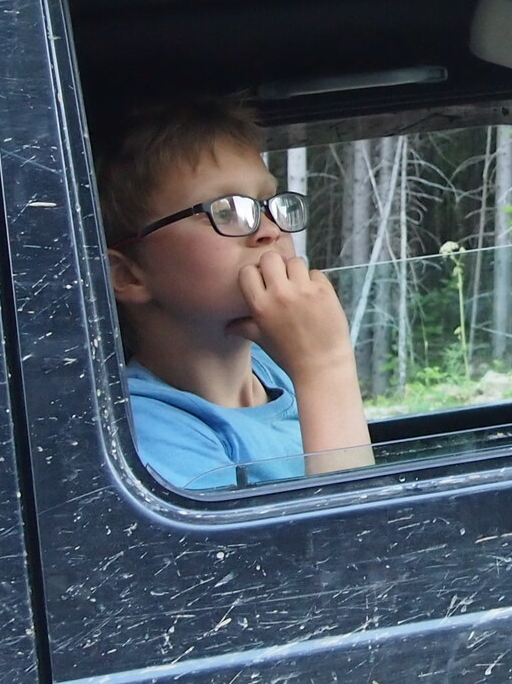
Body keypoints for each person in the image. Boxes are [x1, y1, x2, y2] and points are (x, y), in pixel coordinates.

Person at [99, 96, 371, 489]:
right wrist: (325, 367)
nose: (270, 229)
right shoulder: (143, 429)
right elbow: (349, 542)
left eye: (270, 203)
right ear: (128, 275)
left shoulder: (276, 369)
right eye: (226, 209)